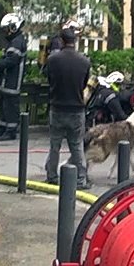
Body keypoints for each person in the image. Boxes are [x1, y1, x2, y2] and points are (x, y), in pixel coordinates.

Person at [45, 27, 91, 188]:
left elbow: (49, 79)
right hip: (76, 108)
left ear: (62, 41)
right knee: (77, 145)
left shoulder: (53, 60)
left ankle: (52, 176)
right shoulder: (84, 61)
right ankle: (80, 179)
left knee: (54, 144)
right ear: (75, 41)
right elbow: (84, 84)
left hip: (57, 107)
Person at [0, 12, 28, 141]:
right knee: (3, 106)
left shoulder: (17, 42)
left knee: (11, 107)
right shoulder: (14, 41)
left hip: (12, 82)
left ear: (14, 27)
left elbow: (11, 61)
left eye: (7, 29)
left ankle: (11, 131)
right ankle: (3, 128)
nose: (5, 32)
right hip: (6, 81)